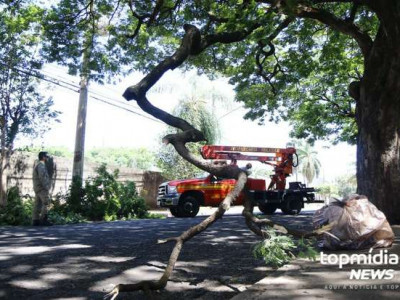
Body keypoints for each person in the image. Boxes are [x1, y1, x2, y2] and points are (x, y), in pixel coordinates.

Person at [32, 151, 52, 226]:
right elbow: (42, 177)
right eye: (46, 157)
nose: (47, 158)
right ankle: (44, 220)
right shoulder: (41, 165)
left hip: (37, 187)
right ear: (43, 157)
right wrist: (46, 187)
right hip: (42, 188)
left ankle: (35, 220)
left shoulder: (38, 165)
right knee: (46, 203)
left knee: (37, 204)